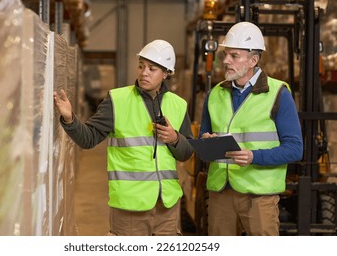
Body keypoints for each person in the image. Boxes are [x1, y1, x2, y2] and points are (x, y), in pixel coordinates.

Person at [54, 39, 194, 236]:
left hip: (167, 207)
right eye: (141, 66)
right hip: (130, 207)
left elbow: (186, 153)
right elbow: (88, 138)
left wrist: (174, 139)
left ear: (166, 73)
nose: (144, 72)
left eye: (152, 68)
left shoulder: (178, 105)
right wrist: (69, 119)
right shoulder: (117, 100)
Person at [199, 22, 303, 236]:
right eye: (226, 54)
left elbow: (294, 149)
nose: (226, 61)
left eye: (234, 56)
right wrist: (206, 140)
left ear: (253, 60)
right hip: (221, 193)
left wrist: (253, 156)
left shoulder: (278, 94)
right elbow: (203, 135)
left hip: (259, 196)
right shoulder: (214, 94)